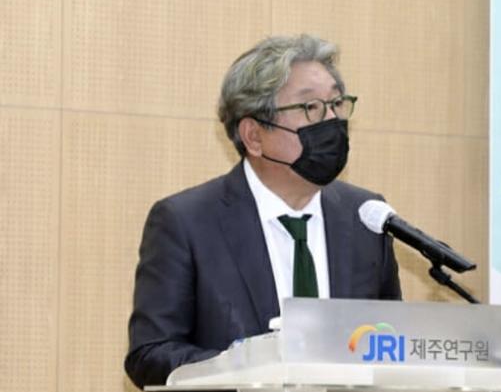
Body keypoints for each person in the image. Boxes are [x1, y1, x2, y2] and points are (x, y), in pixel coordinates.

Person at [124, 34, 402, 389]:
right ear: (254, 136)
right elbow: (150, 355)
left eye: (336, 103)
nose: (332, 120)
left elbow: (392, 345)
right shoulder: (186, 222)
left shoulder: (364, 217)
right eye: (311, 107)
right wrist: (248, 367)